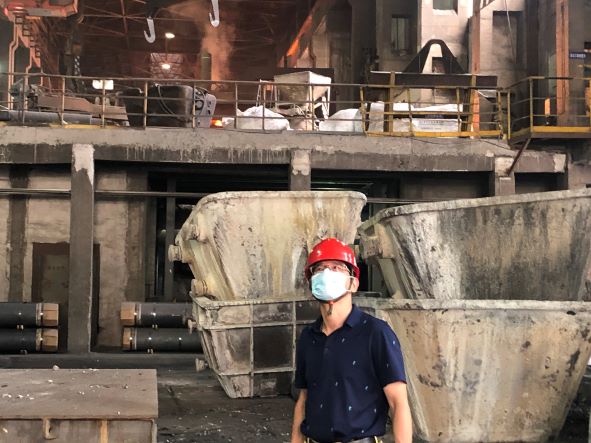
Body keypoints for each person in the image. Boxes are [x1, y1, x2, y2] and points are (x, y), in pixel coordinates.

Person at [291, 238, 412, 443]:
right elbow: (304, 399)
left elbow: (398, 403)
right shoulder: (308, 337)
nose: (327, 273)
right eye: (319, 268)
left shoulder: (376, 333)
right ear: (311, 283)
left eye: (336, 267)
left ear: (354, 283)